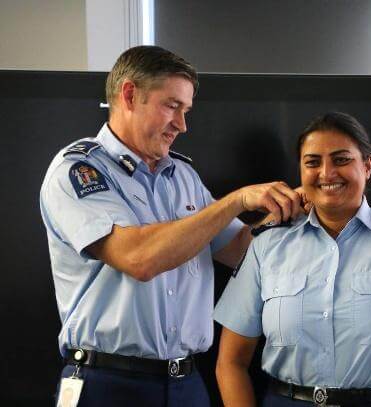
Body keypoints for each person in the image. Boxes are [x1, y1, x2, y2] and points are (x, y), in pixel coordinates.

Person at [39, 46, 302, 406]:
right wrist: (236, 200)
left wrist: (292, 209)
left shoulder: (184, 177)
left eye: (186, 110)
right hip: (108, 384)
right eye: (172, 106)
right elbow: (139, 258)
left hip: (186, 384)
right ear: (130, 95)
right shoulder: (79, 171)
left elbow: (239, 249)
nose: (182, 124)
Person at [214, 112, 371, 406]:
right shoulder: (266, 247)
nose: (326, 173)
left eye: (341, 159)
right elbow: (230, 364)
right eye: (312, 162)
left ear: (367, 165)